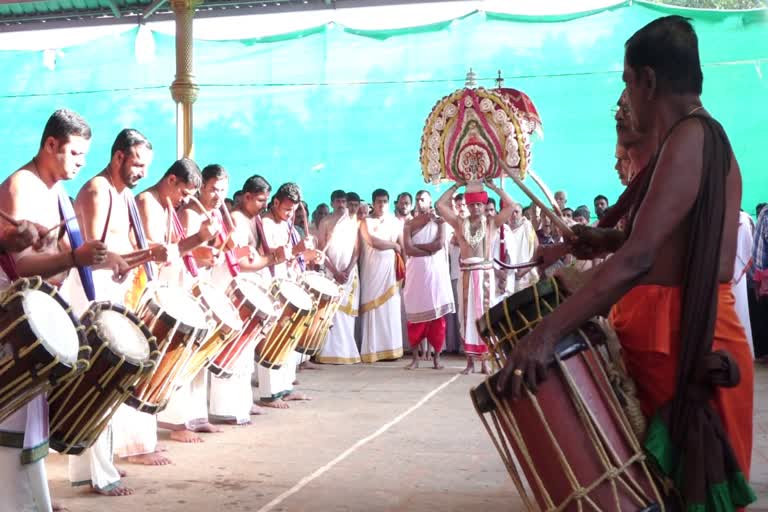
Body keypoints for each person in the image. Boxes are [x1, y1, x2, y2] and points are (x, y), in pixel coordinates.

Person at [498, 16, 754, 510]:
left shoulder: (691, 137)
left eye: (627, 82)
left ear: (648, 81)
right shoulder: (692, 138)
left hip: (684, 336)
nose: (627, 98)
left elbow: (640, 259)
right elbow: (661, 244)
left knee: (691, 492)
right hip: (670, 333)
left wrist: (548, 332)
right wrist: (608, 237)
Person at [0, 109, 117, 509]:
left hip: (42, 315)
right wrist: (73, 259)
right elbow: (20, 266)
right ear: (51, 144)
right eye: (75, 153)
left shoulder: (59, 193)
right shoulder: (20, 187)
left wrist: (100, 256)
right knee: (13, 420)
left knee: (33, 421)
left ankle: (33, 497)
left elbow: (63, 251)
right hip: (16, 320)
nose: (81, 164)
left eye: (85, 155)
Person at [69, 128, 168, 496]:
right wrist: (140, 256)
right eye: (137, 164)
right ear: (118, 157)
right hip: (91, 296)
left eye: (145, 166)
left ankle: (92, 468)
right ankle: (98, 472)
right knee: (100, 382)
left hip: (113, 292)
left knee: (103, 383)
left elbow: (121, 255)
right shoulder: (97, 190)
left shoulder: (124, 195)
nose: (141, 172)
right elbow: (95, 258)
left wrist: (151, 254)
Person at [117, 158, 213, 466]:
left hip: (151, 287)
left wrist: (199, 246)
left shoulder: (165, 205)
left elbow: (170, 249)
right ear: (171, 180)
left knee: (150, 366)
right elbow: (157, 252)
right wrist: (197, 240)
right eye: (184, 192)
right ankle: (134, 448)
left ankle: (144, 442)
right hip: (137, 289)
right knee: (139, 366)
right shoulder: (147, 202)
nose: (186, 200)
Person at [157, 163, 233, 442]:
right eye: (213, 189)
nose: (218, 195)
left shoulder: (212, 214)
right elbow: (183, 249)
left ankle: (197, 416)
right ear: (202, 188)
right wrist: (203, 252)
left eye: (223, 190)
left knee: (198, 356)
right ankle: (177, 422)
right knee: (183, 353)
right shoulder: (188, 213)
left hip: (202, 283)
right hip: (184, 283)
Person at [209, 175, 278, 423]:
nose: (263, 205)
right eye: (260, 200)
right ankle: (226, 410)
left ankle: (241, 405)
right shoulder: (236, 220)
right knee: (232, 351)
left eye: (265, 200)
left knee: (244, 353)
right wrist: (274, 258)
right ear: (247, 196)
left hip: (245, 288)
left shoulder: (251, 219)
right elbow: (241, 261)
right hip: (232, 290)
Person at [436, 180, 515, 375]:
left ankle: (485, 362)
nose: (476, 208)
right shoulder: (459, 223)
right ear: (468, 206)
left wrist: (494, 187)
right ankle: (470, 362)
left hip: (485, 274)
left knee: (484, 317)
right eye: (472, 204)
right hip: (466, 274)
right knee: (466, 317)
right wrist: (457, 185)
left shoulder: (492, 223)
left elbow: (512, 205)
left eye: (479, 204)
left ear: (484, 205)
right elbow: (440, 205)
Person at [258, 182, 317, 407]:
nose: (289, 214)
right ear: (275, 202)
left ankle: (285, 387)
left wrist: (310, 255)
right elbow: (271, 254)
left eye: (293, 210)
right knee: (274, 339)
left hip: (288, 283)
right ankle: (270, 393)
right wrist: (298, 249)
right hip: (272, 285)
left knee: (288, 339)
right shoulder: (265, 223)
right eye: (286, 209)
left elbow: (292, 256)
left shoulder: (286, 224)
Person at [402, 191, 455, 370]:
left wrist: (419, 247)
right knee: (414, 317)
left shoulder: (439, 221)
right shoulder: (409, 223)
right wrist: (427, 250)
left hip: (435, 274)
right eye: (417, 199)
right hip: (416, 273)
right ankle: (415, 359)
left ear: (430, 201)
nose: (419, 202)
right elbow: (408, 249)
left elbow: (439, 245)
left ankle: (436, 358)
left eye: (423, 199)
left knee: (437, 319)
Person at [358, 189, 404, 363]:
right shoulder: (366, 222)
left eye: (385, 201)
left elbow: (403, 245)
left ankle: (391, 350)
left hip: (390, 271)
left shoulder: (395, 222)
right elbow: (372, 241)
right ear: (373, 203)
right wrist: (393, 245)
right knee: (372, 309)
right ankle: (372, 351)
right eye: (378, 202)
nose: (382, 205)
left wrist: (404, 271)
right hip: (371, 270)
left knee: (390, 309)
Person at [316, 190, 361, 365]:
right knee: (332, 312)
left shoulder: (352, 222)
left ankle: (347, 352)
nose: (342, 204)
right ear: (332, 203)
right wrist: (335, 271)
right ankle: (329, 352)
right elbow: (322, 250)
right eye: (338, 201)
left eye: (344, 201)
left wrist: (348, 269)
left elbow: (357, 250)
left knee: (346, 314)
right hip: (331, 272)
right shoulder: (326, 222)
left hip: (349, 272)